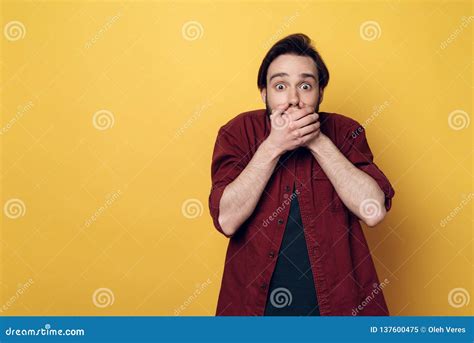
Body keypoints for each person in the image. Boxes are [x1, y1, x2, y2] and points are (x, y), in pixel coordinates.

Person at [208, 33, 395, 316]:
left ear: (320, 93)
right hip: (252, 312)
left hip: (341, 310)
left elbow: (373, 211)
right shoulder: (237, 133)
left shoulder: (345, 132)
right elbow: (227, 220)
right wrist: (273, 146)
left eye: (305, 86)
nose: (293, 99)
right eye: (280, 86)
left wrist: (317, 141)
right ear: (264, 94)